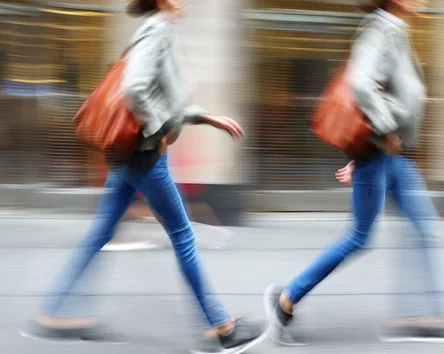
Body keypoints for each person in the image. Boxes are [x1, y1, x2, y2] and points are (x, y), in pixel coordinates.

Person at [21, 0, 267, 352]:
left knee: (102, 232)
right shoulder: (160, 28)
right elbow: (135, 88)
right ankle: (220, 327)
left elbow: (156, 93)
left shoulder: (152, 27)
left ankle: (55, 312)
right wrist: (161, 131)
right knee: (183, 237)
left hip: (127, 154)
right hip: (145, 154)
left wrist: (203, 117)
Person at [263, 0, 444, 345]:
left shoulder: (396, 30)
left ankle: (423, 316)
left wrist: (380, 138)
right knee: (360, 237)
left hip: (393, 156)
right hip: (383, 153)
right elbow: (362, 84)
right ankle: (287, 298)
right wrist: (384, 131)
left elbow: (389, 92)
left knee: (423, 227)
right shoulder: (381, 30)